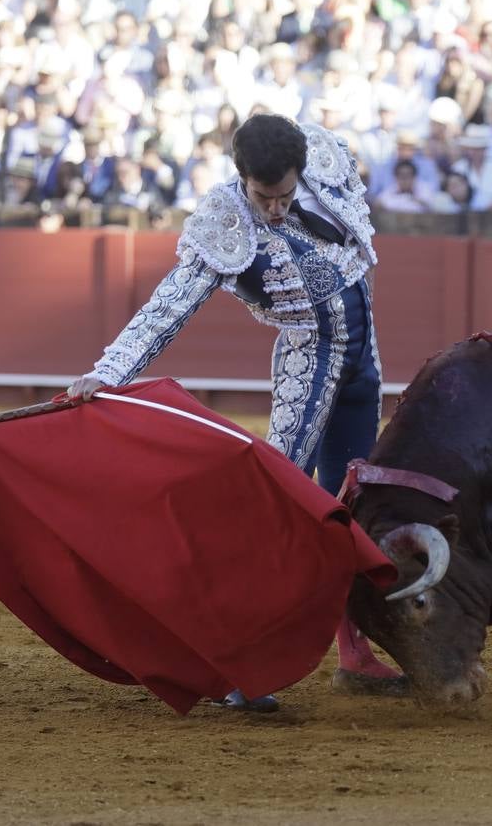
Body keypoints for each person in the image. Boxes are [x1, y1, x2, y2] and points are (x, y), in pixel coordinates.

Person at [66, 114, 400, 712]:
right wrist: (110, 372)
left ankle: (353, 652)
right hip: (309, 361)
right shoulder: (224, 220)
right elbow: (171, 304)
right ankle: (242, 662)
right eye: (262, 196)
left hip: (362, 360)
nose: (274, 208)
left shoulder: (323, 161)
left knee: (354, 506)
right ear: (240, 177)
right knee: (284, 512)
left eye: (284, 195)